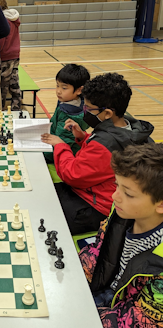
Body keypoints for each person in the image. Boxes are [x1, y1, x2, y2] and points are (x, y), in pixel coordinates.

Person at [41, 73, 154, 235]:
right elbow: (102, 155)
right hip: (97, 194)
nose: (84, 111)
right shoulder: (127, 127)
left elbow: (72, 175)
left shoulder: (105, 144)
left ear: (107, 113)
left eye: (88, 108)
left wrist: (61, 145)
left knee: (44, 215)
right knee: (45, 192)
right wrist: (83, 138)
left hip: (95, 207)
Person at [79, 143, 163, 328]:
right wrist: (76, 274)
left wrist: (81, 313)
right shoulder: (121, 213)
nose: (114, 197)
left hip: (129, 313)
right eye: (117, 186)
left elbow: (142, 320)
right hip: (107, 290)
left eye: (128, 193)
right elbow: (99, 251)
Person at [43, 64, 90, 164]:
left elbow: (62, 144)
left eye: (64, 88)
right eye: (57, 85)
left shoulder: (69, 115)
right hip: (55, 141)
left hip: (61, 157)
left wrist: (42, 153)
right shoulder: (70, 100)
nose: (58, 91)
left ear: (79, 90)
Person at [0, 0, 22, 110]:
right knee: (14, 81)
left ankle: (0, 109)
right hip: (15, 54)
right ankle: (16, 107)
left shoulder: (2, 19)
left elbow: (2, 40)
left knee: (2, 84)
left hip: (4, 56)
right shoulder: (13, 17)